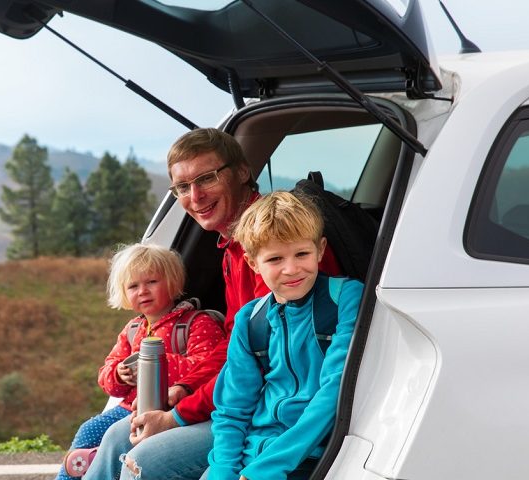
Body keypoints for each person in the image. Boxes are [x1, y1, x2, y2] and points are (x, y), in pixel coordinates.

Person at [84, 129, 340, 480]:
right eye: (182, 188)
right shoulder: (233, 251)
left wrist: (177, 415)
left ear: (241, 172)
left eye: (206, 178)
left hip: (267, 417)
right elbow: (234, 351)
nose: (195, 196)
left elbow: (271, 373)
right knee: (116, 436)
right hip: (243, 406)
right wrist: (186, 391)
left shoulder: (278, 251)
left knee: (141, 461)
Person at [204, 191, 364, 480]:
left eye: (302, 254)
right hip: (252, 452)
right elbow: (233, 409)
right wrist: (222, 472)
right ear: (253, 264)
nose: (291, 270)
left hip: (312, 455)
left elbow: (335, 392)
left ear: (320, 249)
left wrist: (265, 470)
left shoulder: (345, 299)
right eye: (275, 259)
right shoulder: (250, 321)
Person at [55, 243, 224, 480]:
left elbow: (206, 366)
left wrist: (153, 365)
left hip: (172, 406)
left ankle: (102, 457)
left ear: (173, 282)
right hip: (129, 409)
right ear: (124, 293)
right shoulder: (132, 330)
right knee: (89, 429)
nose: (143, 291)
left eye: (151, 282)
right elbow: (107, 374)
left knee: (115, 438)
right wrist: (118, 374)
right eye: (133, 286)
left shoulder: (197, 323)